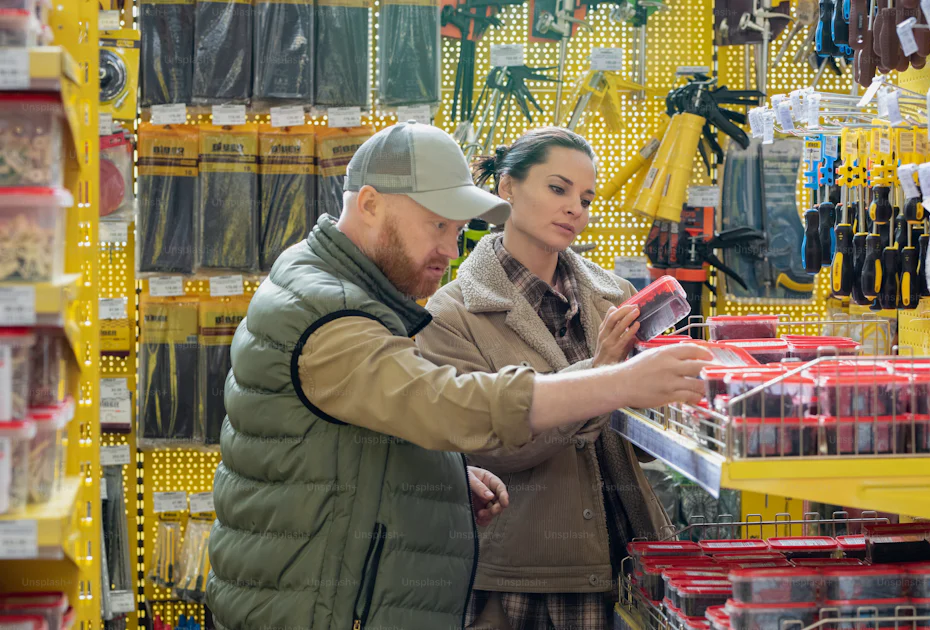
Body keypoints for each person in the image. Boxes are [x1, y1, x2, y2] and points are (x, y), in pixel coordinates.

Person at [206, 121, 711, 630]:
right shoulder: (332, 313)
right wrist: (614, 381)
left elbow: (364, 428)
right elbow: (448, 405)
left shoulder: (336, 287)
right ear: (371, 204)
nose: (451, 249)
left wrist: (440, 474)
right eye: (437, 225)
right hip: (314, 606)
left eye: (456, 229)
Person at [417, 127, 669, 630]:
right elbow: (492, 448)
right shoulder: (451, 315)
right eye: (558, 189)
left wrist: (664, 384)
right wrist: (602, 372)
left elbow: (643, 446)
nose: (575, 208)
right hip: (530, 578)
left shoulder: (614, 296)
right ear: (507, 187)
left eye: (586, 198)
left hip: (632, 558)